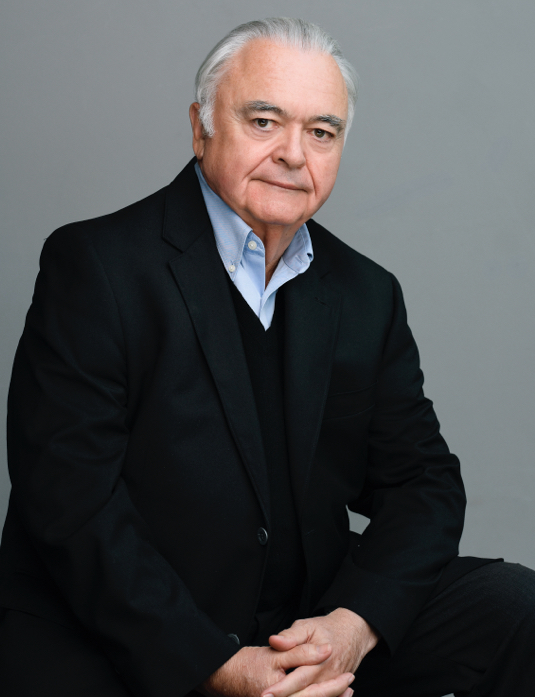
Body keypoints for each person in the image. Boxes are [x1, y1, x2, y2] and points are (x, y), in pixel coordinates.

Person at [0, 17, 533, 697]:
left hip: (302, 618)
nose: (292, 153)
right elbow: (71, 505)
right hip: (126, 628)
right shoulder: (97, 266)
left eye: (321, 132)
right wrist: (213, 664)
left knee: (517, 610)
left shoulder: (367, 293)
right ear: (201, 127)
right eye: (263, 121)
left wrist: (351, 625)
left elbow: (423, 484)